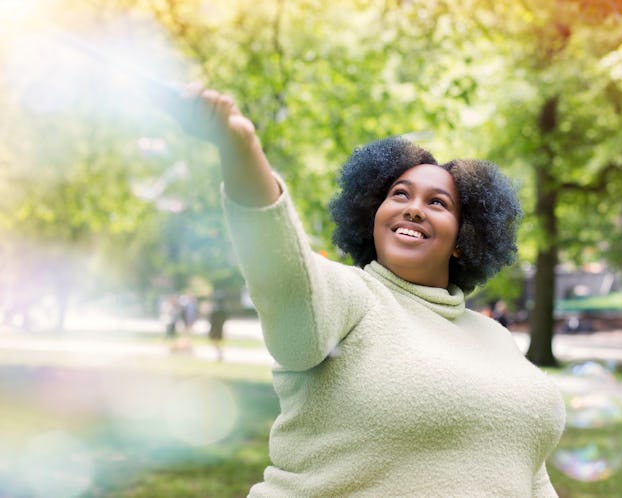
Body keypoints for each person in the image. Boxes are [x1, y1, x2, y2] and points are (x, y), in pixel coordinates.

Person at [169, 83, 565, 497]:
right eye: (399, 195)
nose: (413, 207)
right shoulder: (351, 295)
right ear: (371, 216)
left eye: (438, 203)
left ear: (464, 237)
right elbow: (282, 274)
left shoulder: (494, 336)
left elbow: (528, 473)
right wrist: (240, 148)